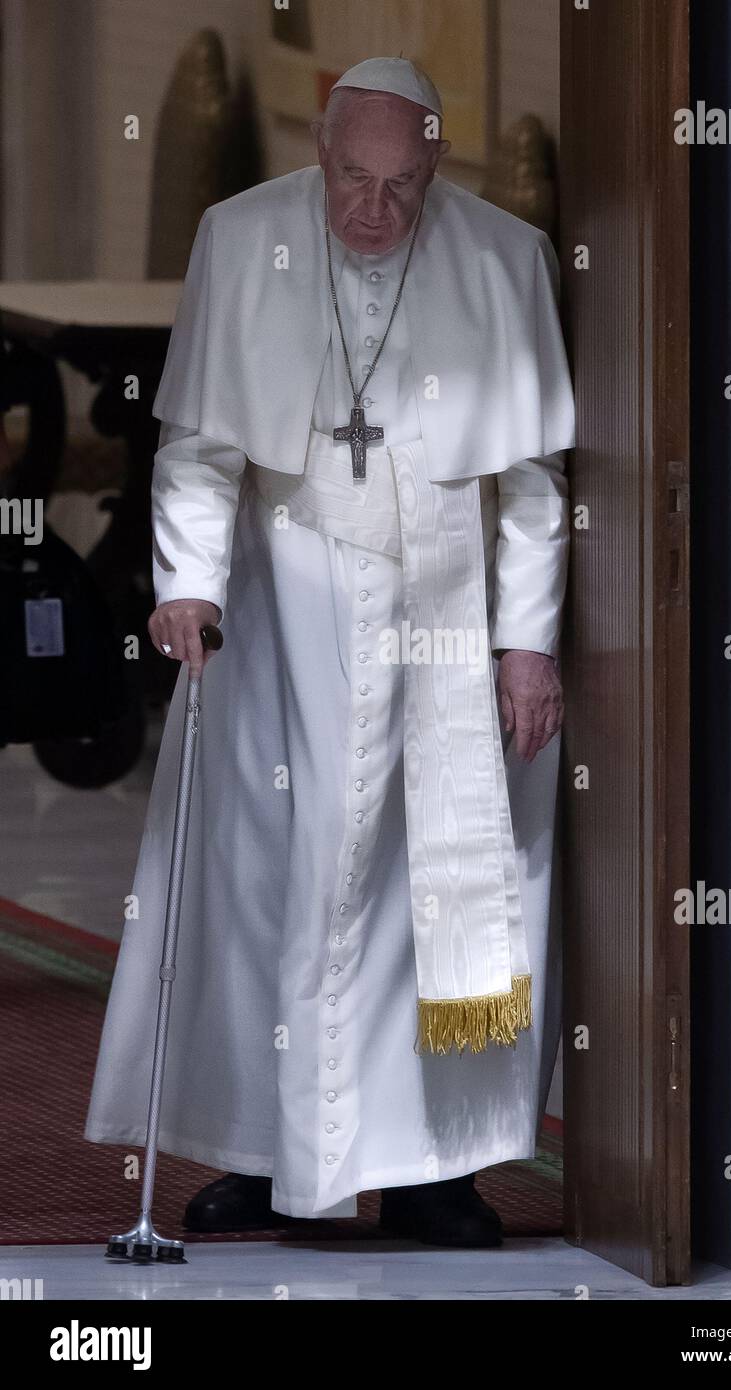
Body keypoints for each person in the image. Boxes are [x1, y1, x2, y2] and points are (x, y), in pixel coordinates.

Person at [85, 57, 575, 1248]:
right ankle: (261, 1157)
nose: (372, 210)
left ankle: (430, 1169)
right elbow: (199, 443)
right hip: (281, 630)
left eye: (401, 186)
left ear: (435, 165)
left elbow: (529, 487)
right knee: (267, 889)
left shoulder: (501, 259)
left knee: (436, 898)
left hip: (443, 645)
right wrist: (187, 586)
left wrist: (525, 647)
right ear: (319, 149)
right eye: (352, 180)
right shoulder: (240, 237)